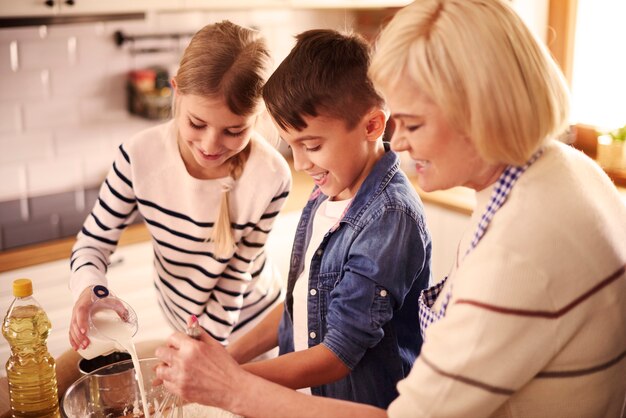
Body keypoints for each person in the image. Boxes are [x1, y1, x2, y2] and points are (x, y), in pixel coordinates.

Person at [154, 1, 626, 417]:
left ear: (482, 110)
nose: (396, 141)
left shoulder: (519, 252)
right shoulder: (562, 168)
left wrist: (234, 389)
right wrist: (231, 364)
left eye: (413, 123)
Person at [164, 28, 431, 409]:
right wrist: (227, 359)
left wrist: (226, 381)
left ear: (372, 125)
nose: (301, 164)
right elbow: (299, 304)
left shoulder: (389, 217)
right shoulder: (330, 191)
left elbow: (337, 354)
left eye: (313, 145)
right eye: (292, 146)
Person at [68, 21, 292, 356]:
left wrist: (207, 350)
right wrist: (91, 290)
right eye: (197, 123)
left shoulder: (272, 176)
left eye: (233, 131)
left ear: (259, 115)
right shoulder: (138, 156)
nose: (210, 145)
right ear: (176, 90)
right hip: (182, 319)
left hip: (255, 328)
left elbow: (235, 276)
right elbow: (92, 243)